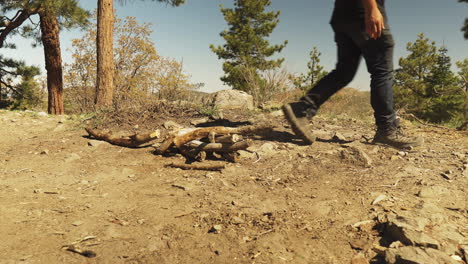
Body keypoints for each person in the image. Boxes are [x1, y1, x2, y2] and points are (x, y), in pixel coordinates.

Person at [282, 0, 423, 149]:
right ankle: (387, 130)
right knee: (382, 71)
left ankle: (302, 109)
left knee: (344, 71)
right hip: (363, 13)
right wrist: (372, 9)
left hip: (343, 16)